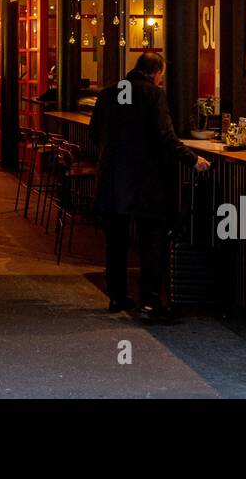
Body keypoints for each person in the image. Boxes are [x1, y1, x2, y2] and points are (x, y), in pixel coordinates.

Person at [88, 50, 208, 322]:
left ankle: (118, 296)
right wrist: (193, 160)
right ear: (156, 73)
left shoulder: (107, 94)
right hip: (145, 182)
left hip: (111, 180)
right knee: (151, 242)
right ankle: (150, 303)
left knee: (116, 243)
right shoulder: (154, 95)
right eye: (161, 76)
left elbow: (94, 133)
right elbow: (166, 136)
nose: (161, 81)